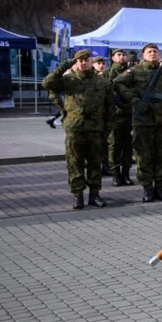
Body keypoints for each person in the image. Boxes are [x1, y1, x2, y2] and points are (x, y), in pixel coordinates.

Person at [44, 49, 114, 209]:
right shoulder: (68, 80)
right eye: (79, 60)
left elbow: (110, 108)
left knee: (95, 164)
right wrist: (66, 64)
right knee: (75, 163)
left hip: (96, 130)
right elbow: (47, 83)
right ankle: (78, 195)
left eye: (86, 60)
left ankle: (94, 195)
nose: (83, 62)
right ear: (76, 62)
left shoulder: (103, 82)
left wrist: (107, 130)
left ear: (91, 62)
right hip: (75, 129)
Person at [113, 44, 162, 202]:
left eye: (155, 52)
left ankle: (160, 187)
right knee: (144, 156)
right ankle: (148, 188)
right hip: (143, 122)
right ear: (143, 55)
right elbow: (117, 83)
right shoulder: (135, 71)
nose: (153, 54)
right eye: (149, 52)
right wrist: (134, 100)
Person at [104, 49, 136, 186]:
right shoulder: (107, 73)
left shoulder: (132, 72)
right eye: (119, 55)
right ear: (112, 58)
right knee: (114, 146)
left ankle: (126, 173)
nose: (122, 57)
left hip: (129, 114)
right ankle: (115, 174)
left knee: (128, 146)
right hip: (114, 116)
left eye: (123, 55)